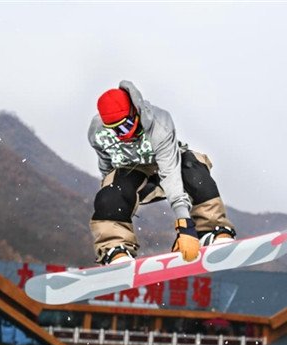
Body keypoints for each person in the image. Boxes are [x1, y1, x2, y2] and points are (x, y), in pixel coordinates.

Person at [89, 80, 236, 264]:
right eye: (115, 130)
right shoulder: (97, 132)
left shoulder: (159, 123)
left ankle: (212, 228)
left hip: (170, 167)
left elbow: (170, 172)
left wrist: (185, 225)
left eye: (125, 126)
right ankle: (114, 247)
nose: (122, 134)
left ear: (135, 113)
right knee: (110, 191)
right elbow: (107, 168)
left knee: (193, 167)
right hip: (134, 173)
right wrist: (114, 200)